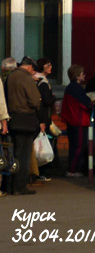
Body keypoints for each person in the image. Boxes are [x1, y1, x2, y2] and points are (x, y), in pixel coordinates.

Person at [6, 57, 43, 195]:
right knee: (24, 155)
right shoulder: (27, 78)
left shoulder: (11, 77)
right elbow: (35, 101)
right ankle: (20, 186)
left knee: (14, 153)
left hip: (13, 118)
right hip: (26, 119)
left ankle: (10, 185)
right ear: (30, 67)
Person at [62, 64, 92, 178]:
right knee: (79, 146)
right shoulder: (76, 88)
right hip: (78, 120)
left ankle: (73, 168)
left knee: (76, 145)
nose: (84, 75)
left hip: (73, 120)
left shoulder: (71, 87)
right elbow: (86, 103)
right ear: (77, 75)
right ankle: (72, 169)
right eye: (82, 73)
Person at [34, 57, 58, 179]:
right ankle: (42, 171)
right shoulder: (43, 83)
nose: (51, 67)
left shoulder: (37, 80)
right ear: (43, 67)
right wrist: (53, 97)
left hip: (40, 118)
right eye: (48, 65)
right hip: (43, 119)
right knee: (43, 146)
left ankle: (39, 171)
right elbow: (45, 101)